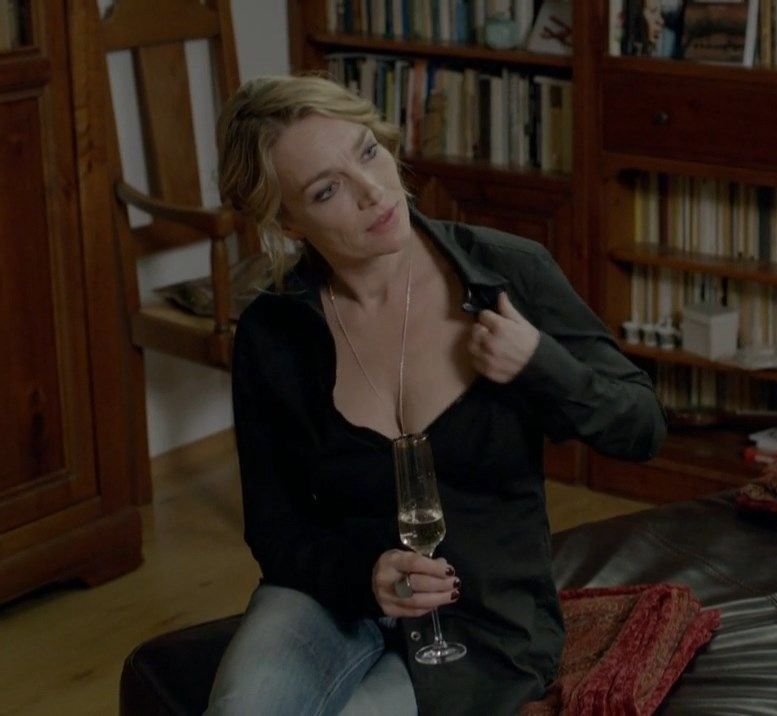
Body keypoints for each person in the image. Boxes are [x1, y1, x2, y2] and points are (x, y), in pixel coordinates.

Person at [204, 74, 666, 715]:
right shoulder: (271, 333)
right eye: (327, 190)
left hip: (483, 619)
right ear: (288, 221)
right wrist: (363, 577)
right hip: (332, 595)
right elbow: (273, 527)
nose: (373, 191)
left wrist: (539, 362)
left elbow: (642, 427)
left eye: (368, 152)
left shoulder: (509, 272)